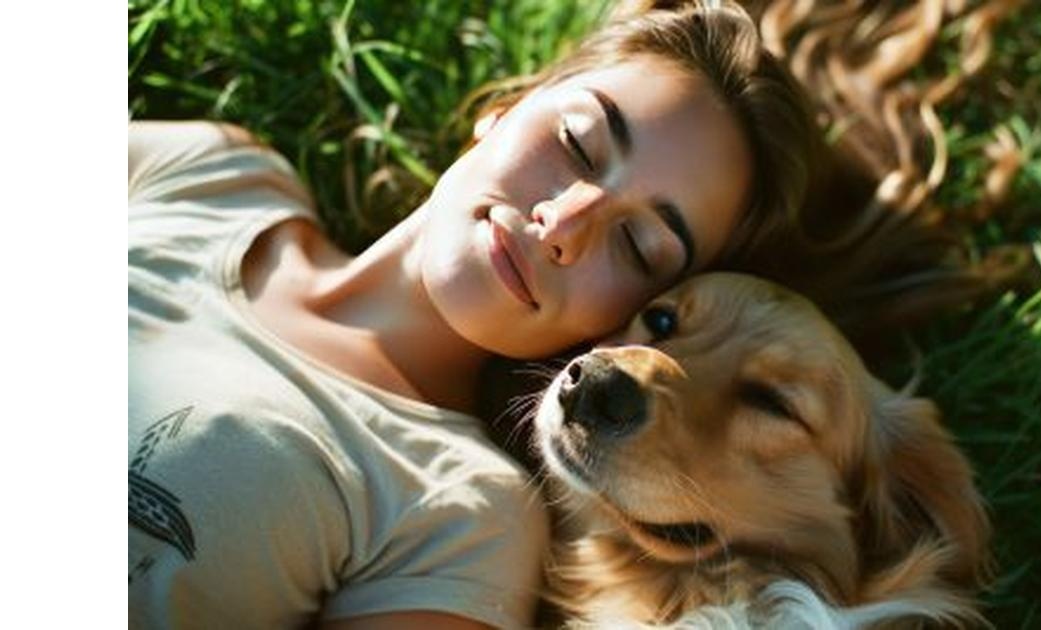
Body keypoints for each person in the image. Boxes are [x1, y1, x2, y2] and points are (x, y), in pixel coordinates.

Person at [128, 2, 821, 628]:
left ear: (628, 316)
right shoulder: (211, 175)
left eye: (637, 245)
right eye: (578, 142)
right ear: (510, 107)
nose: (564, 223)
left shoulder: (465, 516)